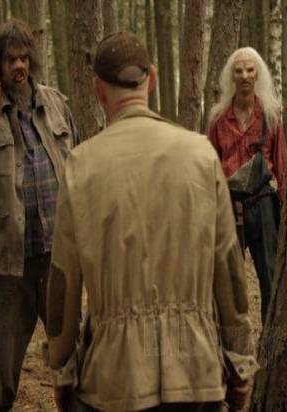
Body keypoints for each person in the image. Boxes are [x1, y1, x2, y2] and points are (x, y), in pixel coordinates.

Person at [46, 31, 258, 412]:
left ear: (98, 91)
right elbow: (229, 267)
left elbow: (63, 281)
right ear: (153, 79)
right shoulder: (201, 154)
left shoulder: (81, 165)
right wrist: (240, 362)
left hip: (114, 378)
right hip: (196, 373)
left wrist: (62, 371)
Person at [0, 19, 78, 411]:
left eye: (24, 58)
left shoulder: (55, 104)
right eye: (11, 60)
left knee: (72, 359)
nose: (19, 66)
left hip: (57, 257)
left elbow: (77, 163)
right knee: (2, 368)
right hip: (10, 264)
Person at [206, 47, 287, 323]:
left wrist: (286, 209)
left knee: (270, 276)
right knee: (227, 281)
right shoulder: (218, 119)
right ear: (231, 77)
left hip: (263, 204)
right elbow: (208, 166)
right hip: (228, 208)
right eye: (239, 70)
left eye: (250, 70)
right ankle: (230, 341)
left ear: (257, 75)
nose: (244, 76)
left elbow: (282, 164)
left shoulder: (271, 115)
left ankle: (269, 339)